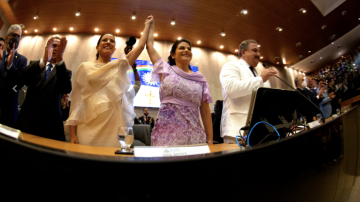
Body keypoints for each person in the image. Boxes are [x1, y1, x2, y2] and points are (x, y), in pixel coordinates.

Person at [65, 16, 153, 147]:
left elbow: (140, 46)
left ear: (114, 48)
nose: (108, 42)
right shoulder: (84, 67)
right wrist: (73, 134)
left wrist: (147, 25)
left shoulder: (119, 67)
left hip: (113, 127)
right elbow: (77, 103)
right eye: (104, 40)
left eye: (111, 41)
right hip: (88, 127)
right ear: (97, 47)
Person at [146, 17, 213, 146]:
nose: (186, 50)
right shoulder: (165, 69)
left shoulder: (200, 79)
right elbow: (149, 46)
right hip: (166, 134)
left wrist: (210, 139)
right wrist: (150, 26)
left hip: (194, 135)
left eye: (189, 48)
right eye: (181, 48)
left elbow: (205, 111)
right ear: (173, 54)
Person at [219, 39, 277, 143]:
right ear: (243, 52)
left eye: (259, 51)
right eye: (254, 51)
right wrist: (260, 80)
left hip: (261, 131)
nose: (258, 54)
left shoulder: (260, 74)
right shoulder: (231, 66)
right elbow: (232, 89)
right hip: (237, 132)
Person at [16, 36, 72, 141]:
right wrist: (44, 61)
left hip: (50, 125)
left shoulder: (64, 72)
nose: (56, 49)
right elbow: (20, 82)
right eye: (54, 46)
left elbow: (66, 88)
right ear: (47, 48)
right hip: (27, 121)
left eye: (59, 47)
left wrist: (60, 59)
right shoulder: (35, 65)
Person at [0, 24, 27, 128]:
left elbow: (19, 83)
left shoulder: (22, 60)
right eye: (13, 35)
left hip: (9, 108)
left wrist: (10, 65)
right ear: (7, 37)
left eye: (18, 36)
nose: (16, 38)